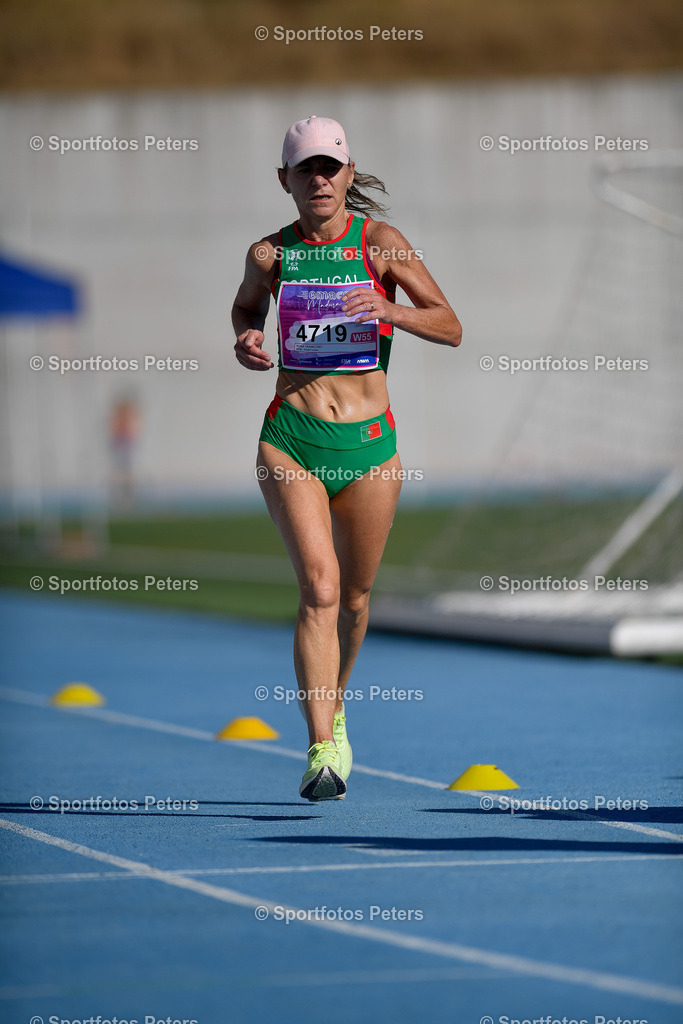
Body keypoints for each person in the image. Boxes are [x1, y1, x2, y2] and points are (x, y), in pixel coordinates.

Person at [232, 115, 461, 801]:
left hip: (368, 447)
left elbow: (449, 326)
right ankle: (320, 744)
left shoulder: (383, 245)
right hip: (291, 439)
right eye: (306, 169)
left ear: (349, 174)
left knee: (355, 601)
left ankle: (338, 704)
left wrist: (390, 313)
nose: (320, 179)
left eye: (330, 166)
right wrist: (246, 338)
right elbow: (246, 308)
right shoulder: (269, 255)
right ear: (286, 181)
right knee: (320, 590)